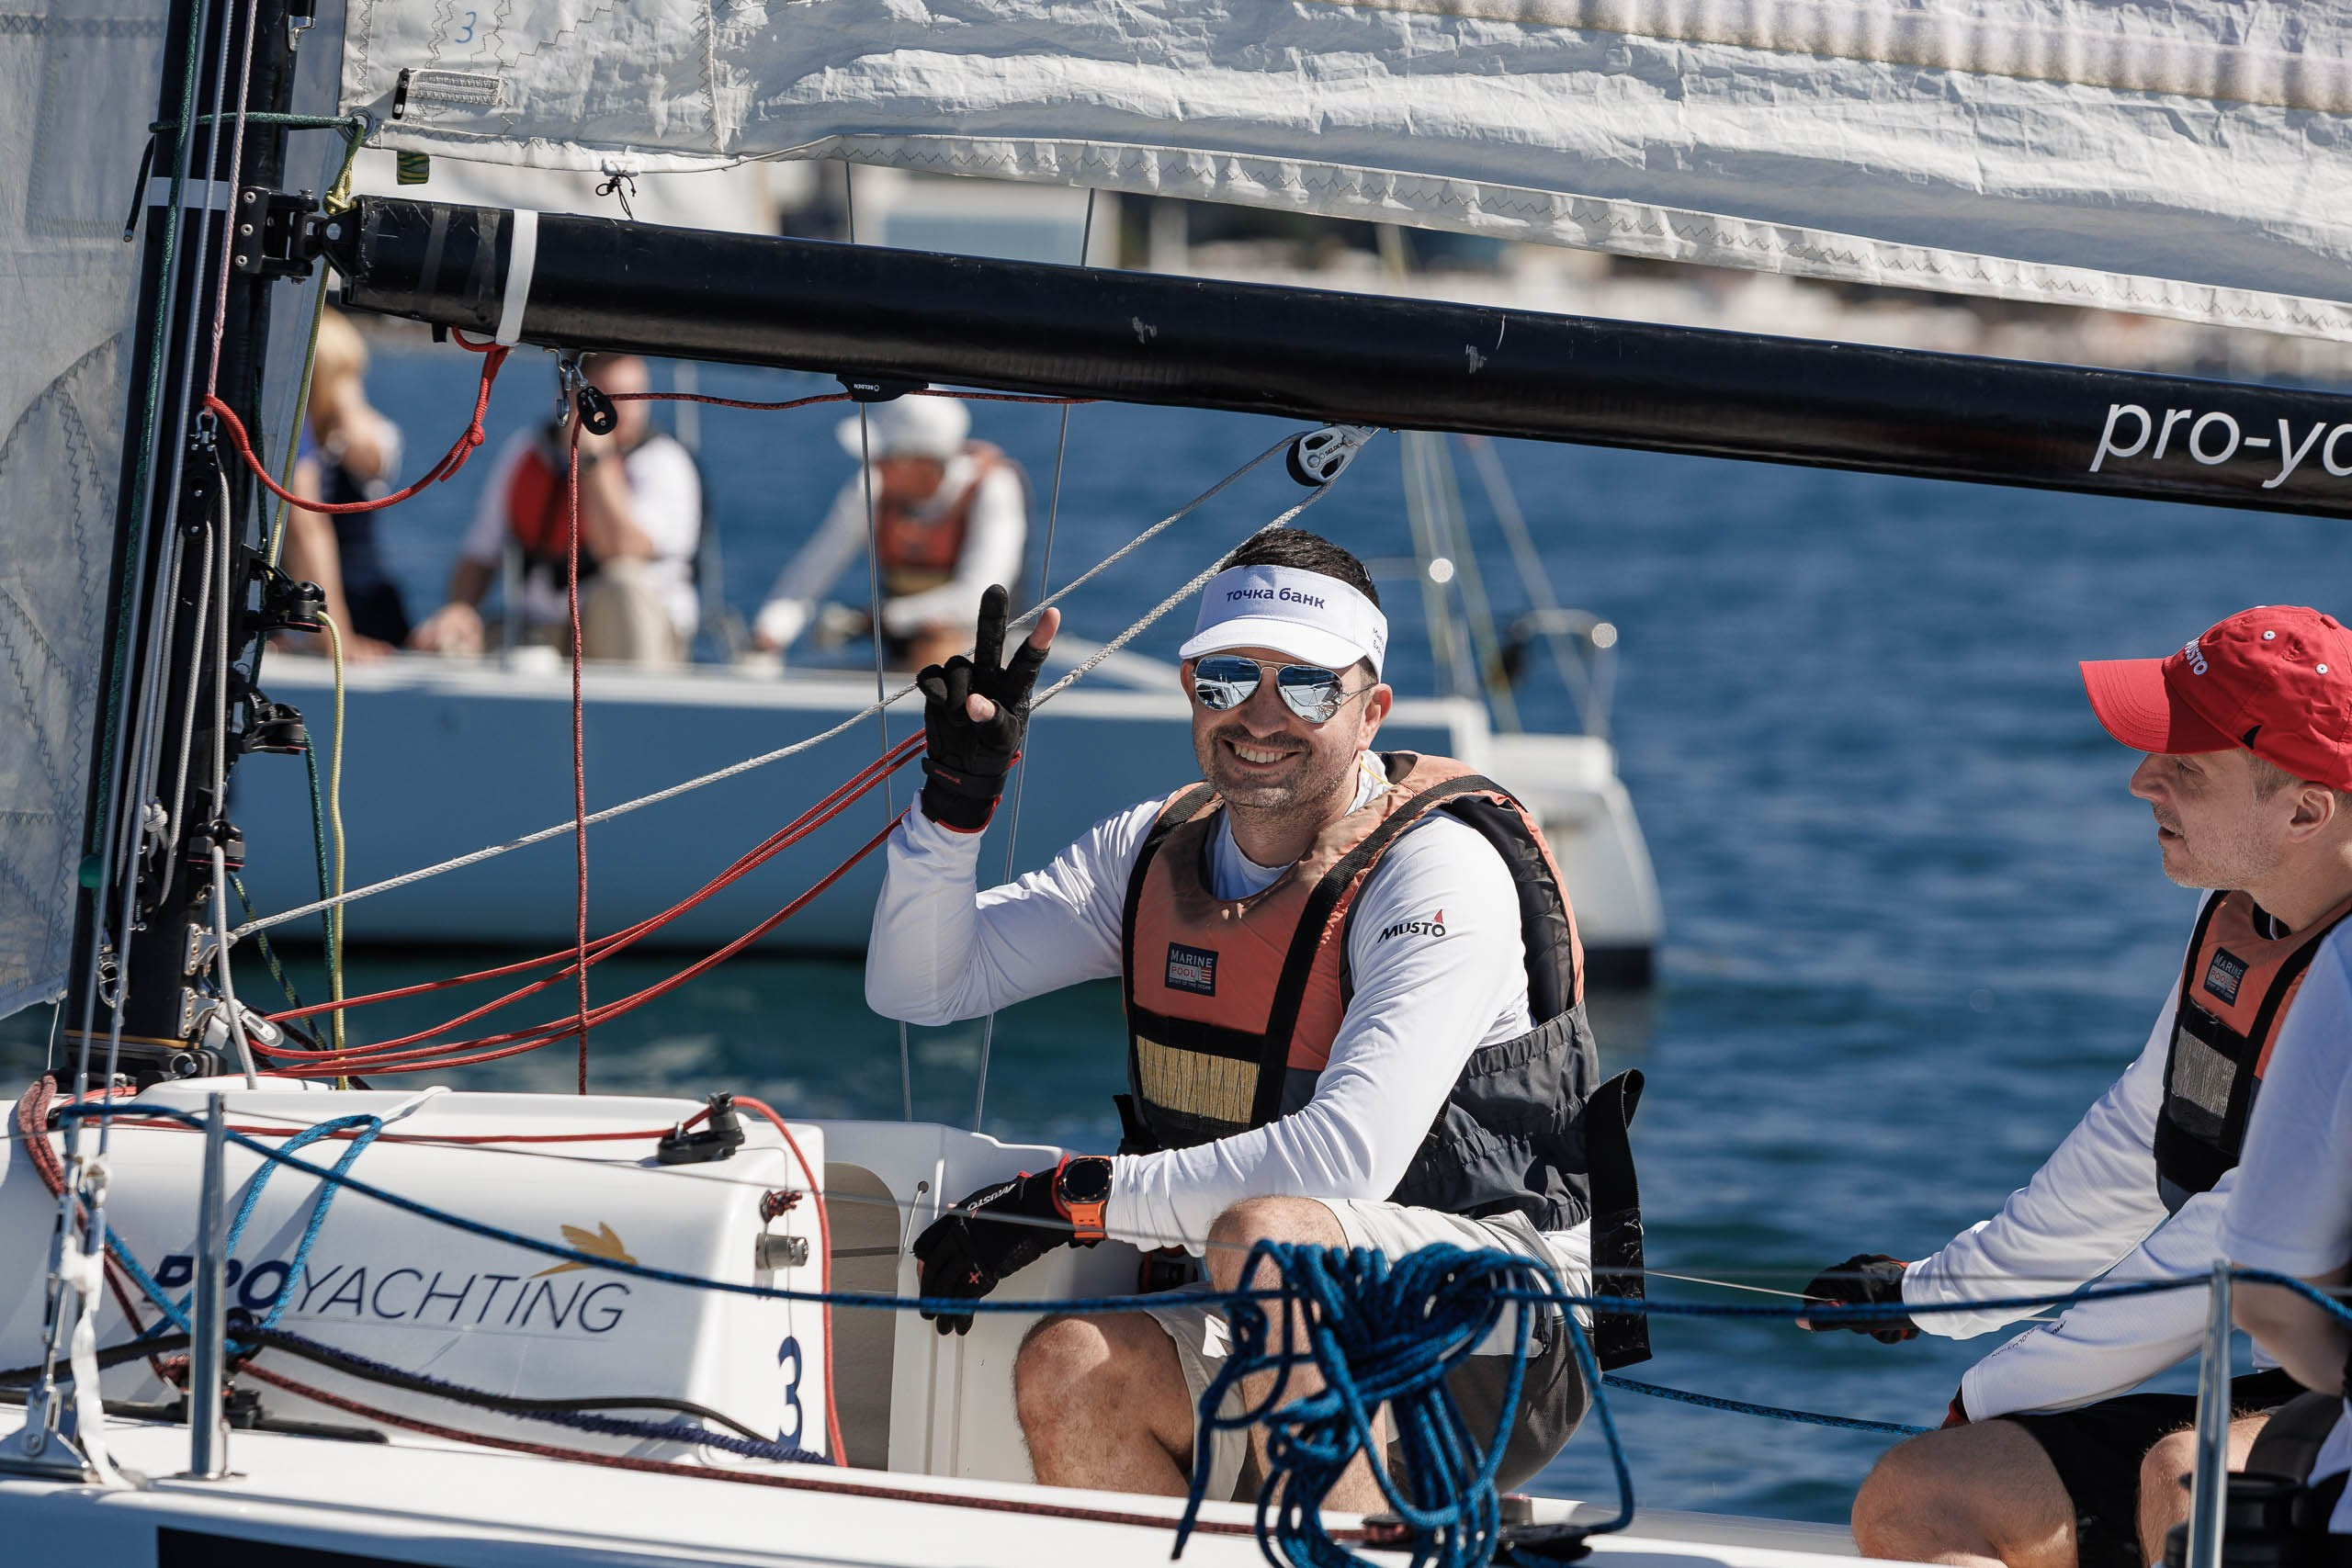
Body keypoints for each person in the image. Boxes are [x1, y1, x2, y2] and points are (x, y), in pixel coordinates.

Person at [869, 529, 1645, 1506]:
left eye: (1309, 687)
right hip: (1279, 1295)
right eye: (1230, 679)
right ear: (1191, 688)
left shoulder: (1438, 874)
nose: (1261, 717)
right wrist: (952, 811)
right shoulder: (1151, 851)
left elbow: (1344, 1163)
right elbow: (920, 988)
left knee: (1269, 1234)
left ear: (1372, 711)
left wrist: (1076, 1198)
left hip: (1498, 1334)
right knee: (1072, 1365)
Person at [1800, 605, 2352, 1568]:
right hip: (2292, 1386)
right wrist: (1929, 1296)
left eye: (2186, 764)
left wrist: (1996, 1385)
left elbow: (2231, 1244)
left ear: (2305, 810)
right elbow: (2139, 1147)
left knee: (2189, 1485)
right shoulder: (2245, 921)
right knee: (1917, 1496)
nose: (2142, 779)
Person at [409, 353, 701, 665]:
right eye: (614, 399)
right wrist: (460, 609)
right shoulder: (527, 452)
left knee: (623, 584)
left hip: (629, 634)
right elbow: (480, 555)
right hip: (538, 629)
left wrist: (593, 462)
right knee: (448, 641)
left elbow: (621, 549)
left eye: (636, 398)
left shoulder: (665, 464)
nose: (627, 412)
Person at [752, 396, 1025, 671]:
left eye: (884, 458)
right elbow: (815, 567)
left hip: (979, 657)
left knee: (940, 641)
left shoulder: (993, 489)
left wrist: (870, 620)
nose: (874, 467)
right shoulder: (872, 486)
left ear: (918, 464)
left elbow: (976, 601)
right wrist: (771, 633)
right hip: (901, 650)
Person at [284, 310, 407, 657]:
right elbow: (304, 528)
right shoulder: (299, 438)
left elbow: (369, 455)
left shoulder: (357, 437)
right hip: (319, 611)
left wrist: (344, 398)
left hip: (362, 606)